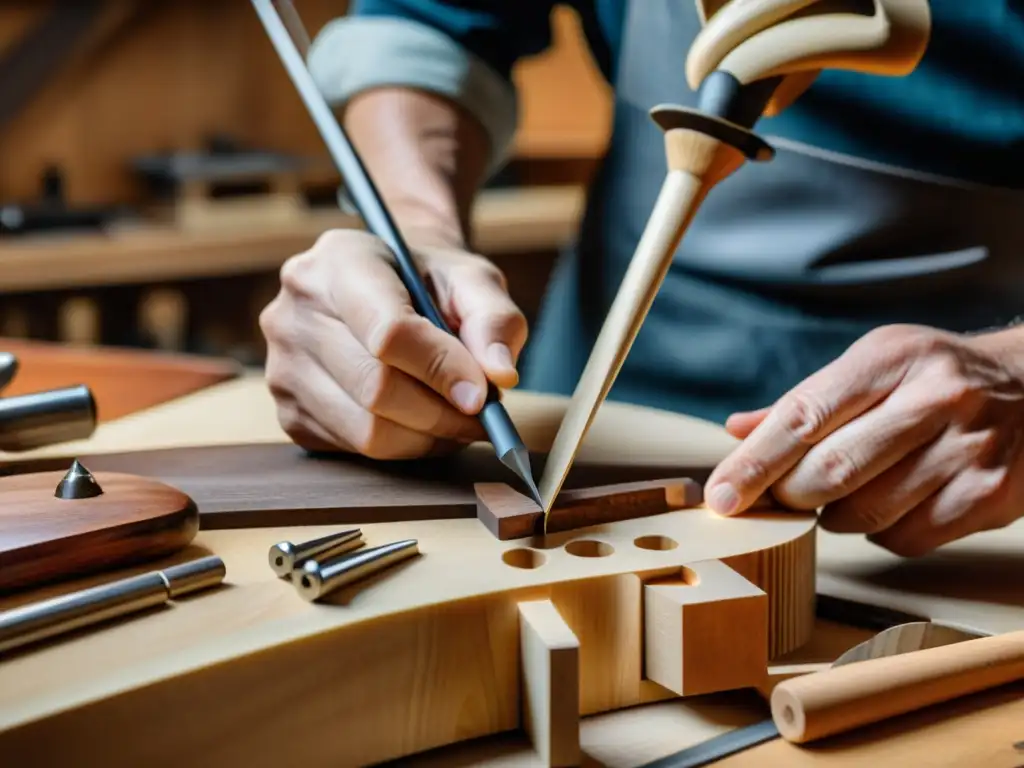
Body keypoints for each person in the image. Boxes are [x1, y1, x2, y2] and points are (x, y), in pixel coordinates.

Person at [258, 1, 1024, 557]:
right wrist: (419, 233)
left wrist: (1012, 373)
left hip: (943, 499)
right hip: (574, 421)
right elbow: (424, 23)